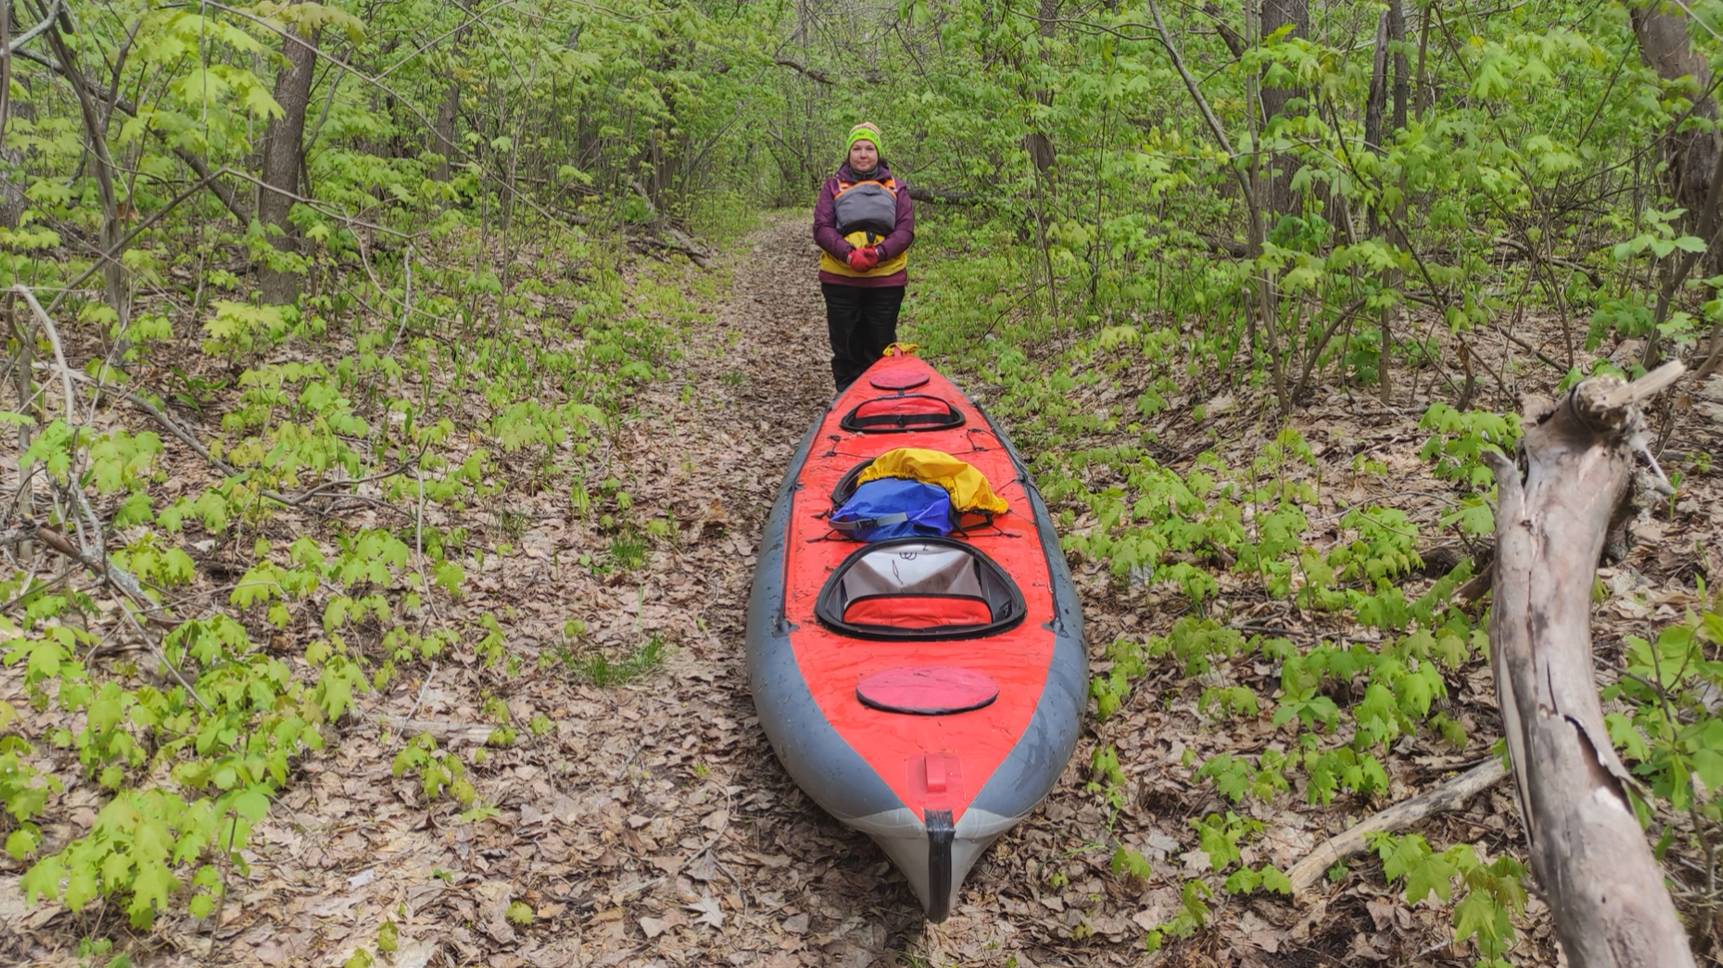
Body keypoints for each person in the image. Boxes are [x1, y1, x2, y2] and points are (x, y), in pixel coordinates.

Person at [812, 122, 915, 392]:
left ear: (878, 153)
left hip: (886, 280)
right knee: (845, 347)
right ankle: (846, 398)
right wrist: (848, 255)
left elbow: (905, 231)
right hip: (840, 280)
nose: (863, 154)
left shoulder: (896, 188)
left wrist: (878, 254)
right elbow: (822, 228)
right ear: (849, 153)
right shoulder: (832, 186)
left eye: (869, 148)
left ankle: (879, 399)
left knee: (880, 344)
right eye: (857, 148)